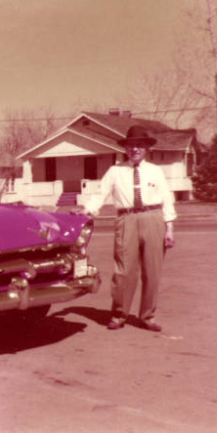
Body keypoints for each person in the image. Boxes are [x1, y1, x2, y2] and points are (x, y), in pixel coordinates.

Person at [79, 125, 176, 331]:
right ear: (126, 148)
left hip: (153, 218)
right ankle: (119, 314)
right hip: (127, 220)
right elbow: (100, 193)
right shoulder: (115, 171)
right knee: (123, 270)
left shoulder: (155, 171)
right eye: (131, 145)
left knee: (152, 271)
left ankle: (148, 316)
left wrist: (169, 228)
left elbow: (167, 199)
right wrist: (87, 210)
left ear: (146, 149)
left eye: (139, 146)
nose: (135, 150)